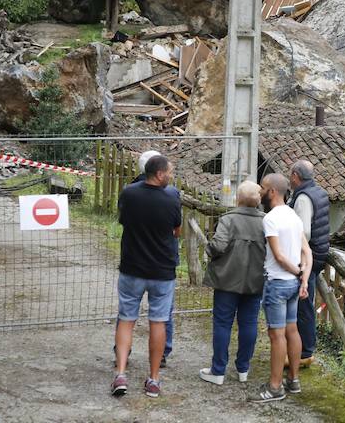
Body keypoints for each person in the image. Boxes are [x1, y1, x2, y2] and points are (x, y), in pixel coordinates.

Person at [111, 155, 181, 399]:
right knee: (158, 322)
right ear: (160, 174)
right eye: (169, 171)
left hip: (132, 267)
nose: (171, 175)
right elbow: (176, 230)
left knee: (126, 318)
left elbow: (123, 221)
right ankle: (153, 379)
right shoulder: (172, 197)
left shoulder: (128, 193)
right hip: (162, 270)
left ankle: (120, 374)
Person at [249, 173, 312, 403]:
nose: (260, 192)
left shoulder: (271, 219)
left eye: (263, 188)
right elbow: (307, 252)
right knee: (292, 330)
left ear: (272, 192)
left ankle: (275, 387)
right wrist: (303, 278)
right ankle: (293, 380)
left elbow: (278, 255)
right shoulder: (294, 217)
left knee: (277, 336)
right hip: (294, 285)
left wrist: (297, 272)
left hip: (277, 282)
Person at [198, 180, 266, 386]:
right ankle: (243, 369)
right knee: (249, 323)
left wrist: (209, 251)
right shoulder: (266, 221)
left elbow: (218, 245)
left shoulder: (228, 220)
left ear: (238, 199)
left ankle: (218, 371)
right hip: (255, 280)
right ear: (259, 200)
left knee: (222, 323)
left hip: (227, 280)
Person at [288, 160, 330, 367]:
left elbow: (303, 231)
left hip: (309, 256)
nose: (289, 179)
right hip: (320, 251)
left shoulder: (303, 198)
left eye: (290, 175)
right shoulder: (319, 191)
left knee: (304, 305)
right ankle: (302, 348)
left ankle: (305, 352)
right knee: (306, 302)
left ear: (296, 176)